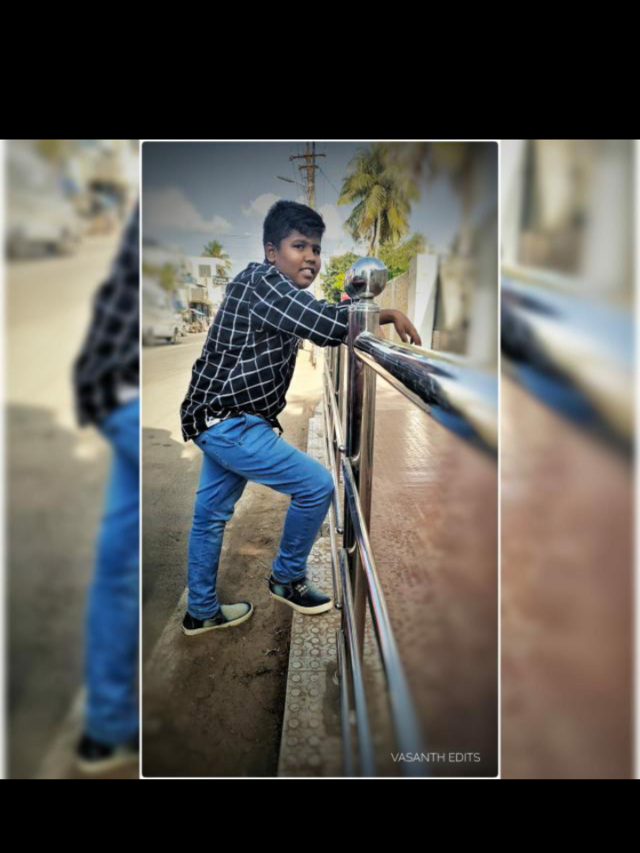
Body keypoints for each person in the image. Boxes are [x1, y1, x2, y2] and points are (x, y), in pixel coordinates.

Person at [180, 200, 421, 636]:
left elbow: (313, 314)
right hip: (230, 421)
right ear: (272, 252)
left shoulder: (271, 289)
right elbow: (323, 323)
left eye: (316, 248)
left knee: (210, 516)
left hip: (216, 417)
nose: (311, 256)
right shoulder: (263, 282)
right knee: (316, 485)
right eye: (299, 246)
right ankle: (287, 578)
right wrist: (384, 312)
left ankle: (200, 611)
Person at [71, 203, 140, 773]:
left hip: (111, 389)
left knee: (118, 565)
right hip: (122, 393)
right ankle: (107, 722)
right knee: (121, 570)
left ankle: (105, 728)